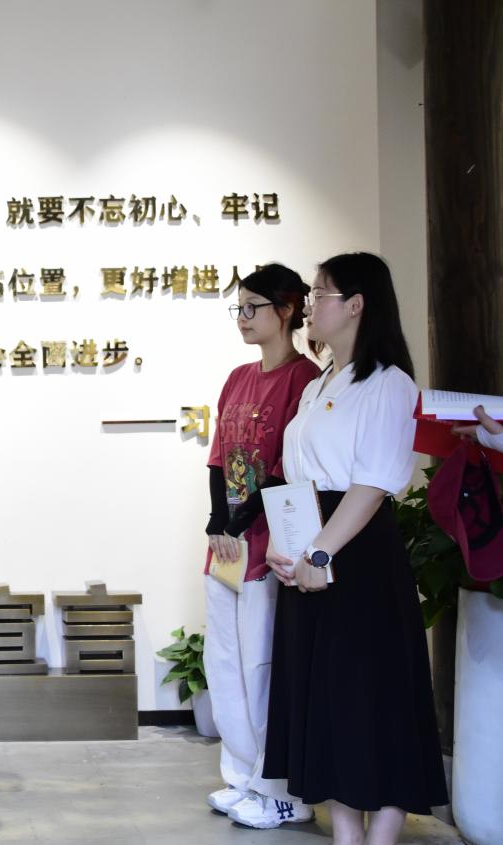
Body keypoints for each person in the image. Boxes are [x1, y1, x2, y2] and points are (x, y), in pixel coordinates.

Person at [263, 252, 448, 845]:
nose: (310, 305)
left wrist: (320, 554)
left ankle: (381, 837)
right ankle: (346, 835)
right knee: (327, 701)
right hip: (310, 548)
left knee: (371, 696)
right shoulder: (319, 384)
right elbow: (298, 478)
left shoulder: (388, 384)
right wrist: (287, 548)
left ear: (356, 304)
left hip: (357, 553)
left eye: (321, 293)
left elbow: (371, 485)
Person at [202, 264, 321, 829]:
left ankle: (280, 790)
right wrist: (216, 522)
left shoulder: (305, 379)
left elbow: (287, 468)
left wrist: (241, 521)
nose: (243, 318)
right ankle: (241, 776)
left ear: (287, 309)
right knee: (224, 661)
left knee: (262, 664)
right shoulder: (237, 377)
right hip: (226, 545)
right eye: (239, 308)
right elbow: (218, 458)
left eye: (253, 307)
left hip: (271, 543)